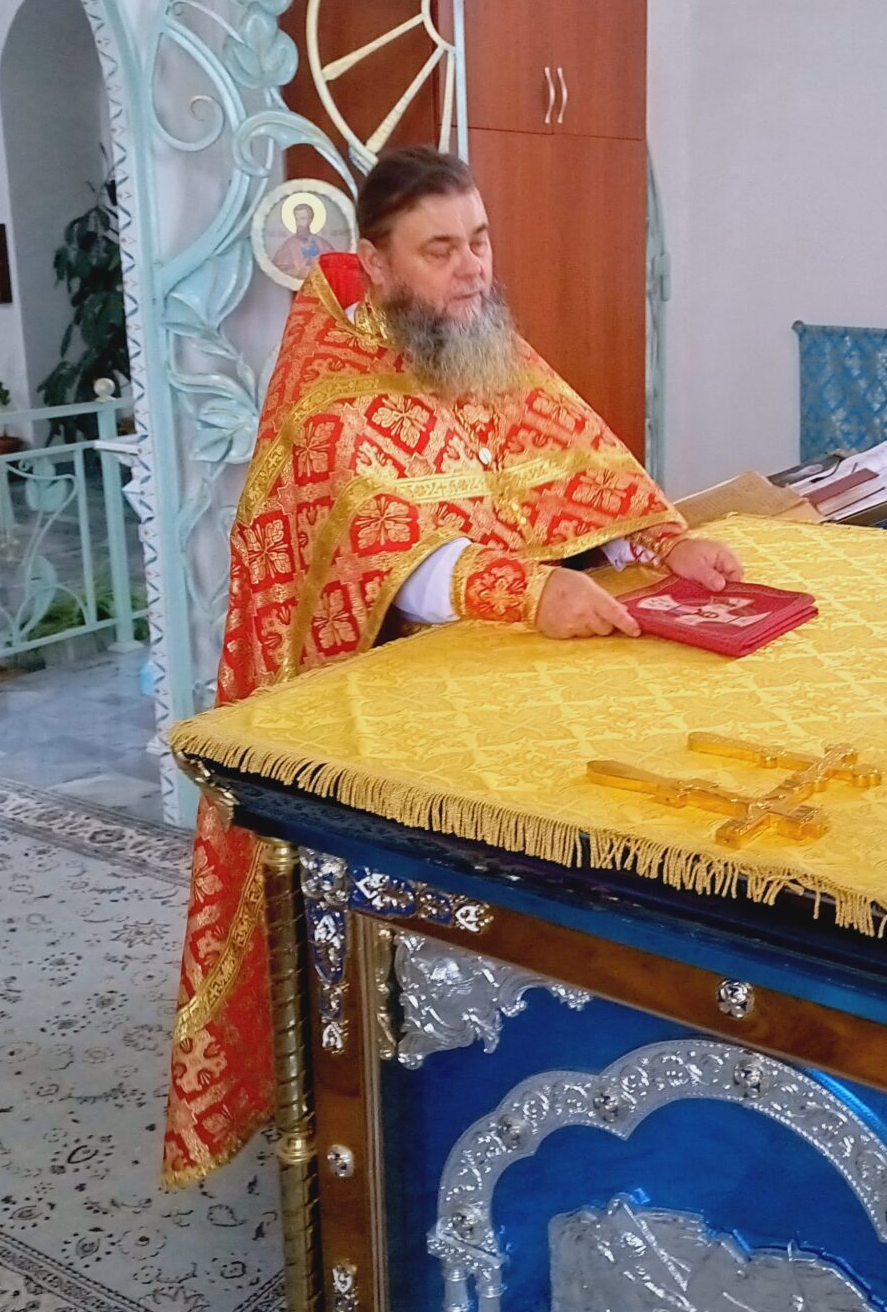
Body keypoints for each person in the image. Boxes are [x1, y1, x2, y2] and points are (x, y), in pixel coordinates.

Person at [164, 146, 742, 1185]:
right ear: (376, 262)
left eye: (478, 240)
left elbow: (569, 470)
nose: (472, 267)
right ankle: (387, 1101)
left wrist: (661, 541)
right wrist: (528, 591)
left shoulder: (478, 343)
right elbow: (393, 553)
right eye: (439, 250)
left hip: (504, 681)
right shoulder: (330, 387)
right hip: (379, 707)